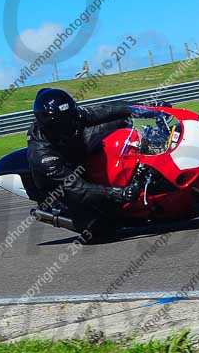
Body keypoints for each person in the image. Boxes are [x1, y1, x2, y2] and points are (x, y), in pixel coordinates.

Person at [27, 87, 166, 243]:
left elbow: (107, 110)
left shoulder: (72, 117)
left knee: (121, 120)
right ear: (50, 125)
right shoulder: (43, 157)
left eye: (71, 117)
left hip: (75, 149)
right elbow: (78, 189)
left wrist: (147, 108)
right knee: (103, 229)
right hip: (63, 188)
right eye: (64, 122)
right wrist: (119, 193)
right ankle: (59, 216)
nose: (71, 123)